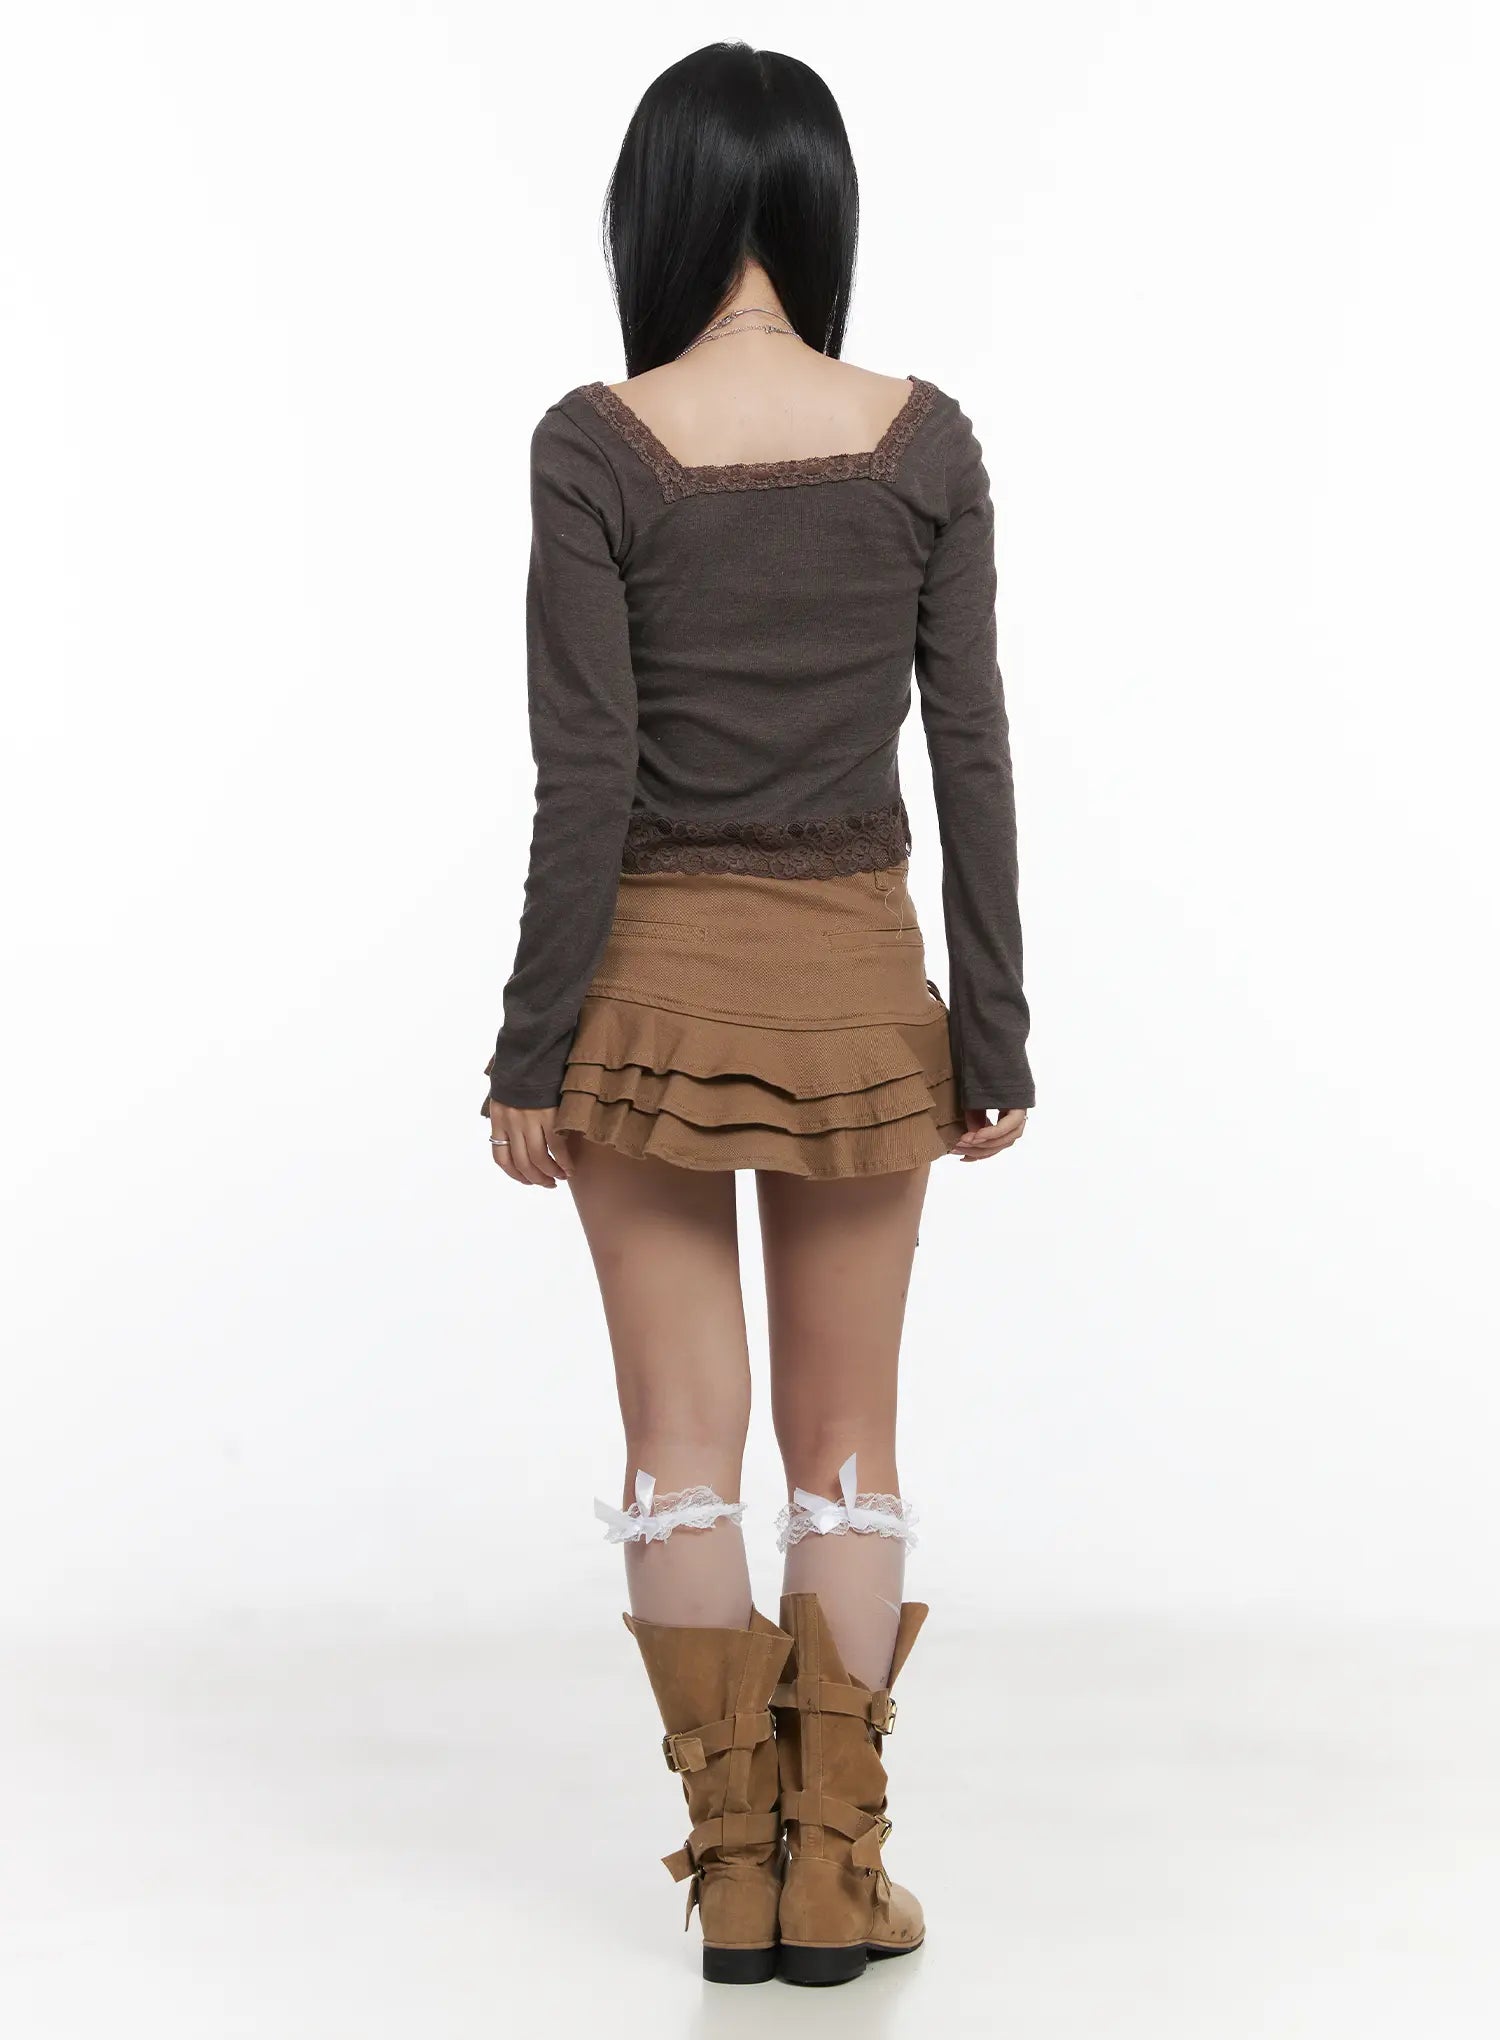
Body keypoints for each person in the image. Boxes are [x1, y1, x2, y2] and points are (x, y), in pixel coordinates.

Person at [481, 41, 1033, 1988]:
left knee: (679, 1447)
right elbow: (971, 754)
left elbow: (584, 779)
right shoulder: (922, 441)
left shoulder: (596, 444)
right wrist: (997, 1031)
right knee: (849, 1445)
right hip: (863, 996)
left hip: (642, 995)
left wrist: (529, 1051)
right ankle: (838, 1873)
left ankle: (732, 1872)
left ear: (653, 212)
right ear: (819, 209)